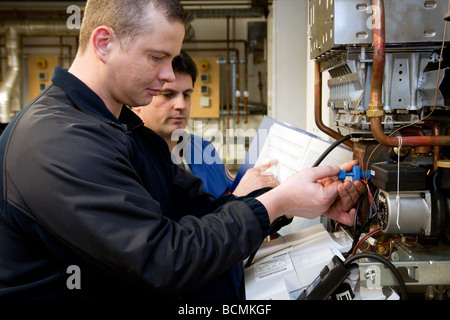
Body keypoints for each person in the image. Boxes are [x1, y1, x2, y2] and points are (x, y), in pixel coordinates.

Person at [0, 0, 364, 300]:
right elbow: (164, 260)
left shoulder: (126, 129)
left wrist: (288, 200)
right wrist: (277, 204)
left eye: (171, 61)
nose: (168, 77)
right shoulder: (58, 141)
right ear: (103, 43)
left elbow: (200, 211)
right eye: (157, 58)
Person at [132, 50, 278, 299]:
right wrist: (242, 196)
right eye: (168, 94)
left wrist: (271, 193)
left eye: (186, 95)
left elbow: (227, 197)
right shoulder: (131, 161)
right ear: (138, 101)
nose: (180, 105)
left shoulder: (202, 149)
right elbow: (170, 248)